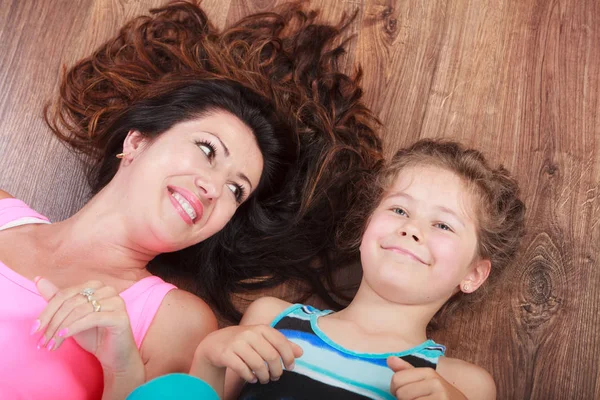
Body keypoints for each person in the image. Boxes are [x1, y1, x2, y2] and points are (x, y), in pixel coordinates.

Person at [0, 2, 383, 400]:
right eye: (206, 149)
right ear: (137, 141)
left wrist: (121, 367)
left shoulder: (175, 322)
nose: (214, 188)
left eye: (237, 190)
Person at [186, 139, 526, 400]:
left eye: (443, 225)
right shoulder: (271, 320)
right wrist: (210, 356)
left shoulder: (462, 384)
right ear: (366, 227)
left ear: (474, 275)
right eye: (399, 210)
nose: (411, 229)